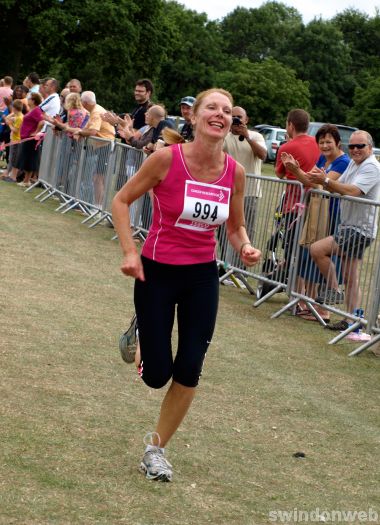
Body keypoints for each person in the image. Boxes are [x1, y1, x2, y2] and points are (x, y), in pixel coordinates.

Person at [111, 88, 261, 482]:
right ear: (193, 117)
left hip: (201, 277)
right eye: (212, 107)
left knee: (190, 367)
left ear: (231, 122)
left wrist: (244, 246)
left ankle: (155, 451)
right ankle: (141, 328)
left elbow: (235, 226)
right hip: (157, 273)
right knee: (156, 375)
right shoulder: (165, 159)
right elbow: (122, 201)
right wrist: (130, 252)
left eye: (227, 110)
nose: (220, 114)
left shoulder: (236, 172)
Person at [309, 130, 380, 331]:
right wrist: (323, 180)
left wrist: (325, 181)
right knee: (351, 276)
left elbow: (353, 191)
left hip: (359, 229)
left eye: (361, 146)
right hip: (350, 225)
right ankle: (352, 320)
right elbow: (338, 187)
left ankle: (333, 291)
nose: (356, 150)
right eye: (352, 146)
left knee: (317, 249)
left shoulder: (372, 167)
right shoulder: (353, 164)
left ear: (370, 147)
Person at [281, 124, 350, 322]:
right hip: (316, 214)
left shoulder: (342, 162)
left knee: (322, 258)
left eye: (329, 141)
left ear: (338, 143)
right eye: (321, 142)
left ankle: (324, 310)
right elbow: (308, 181)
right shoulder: (322, 159)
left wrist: (302, 173)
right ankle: (310, 304)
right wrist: (294, 169)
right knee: (307, 256)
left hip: (332, 216)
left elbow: (321, 182)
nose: (325, 145)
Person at [275, 109, 320, 285]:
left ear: (290, 125)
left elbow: (279, 174)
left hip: (294, 205)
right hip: (316, 204)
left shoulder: (286, 148)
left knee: (291, 246)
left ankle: (291, 284)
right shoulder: (317, 143)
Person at [15, 92, 44, 187]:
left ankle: (26, 181)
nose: (27, 99)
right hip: (26, 138)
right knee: (26, 159)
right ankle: (25, 180)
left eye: (29, 98)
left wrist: (36, 132)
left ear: (33, 100)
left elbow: (42, 122)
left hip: (31, 139)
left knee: (30, 159)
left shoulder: (36, 110)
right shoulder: (31, 110)